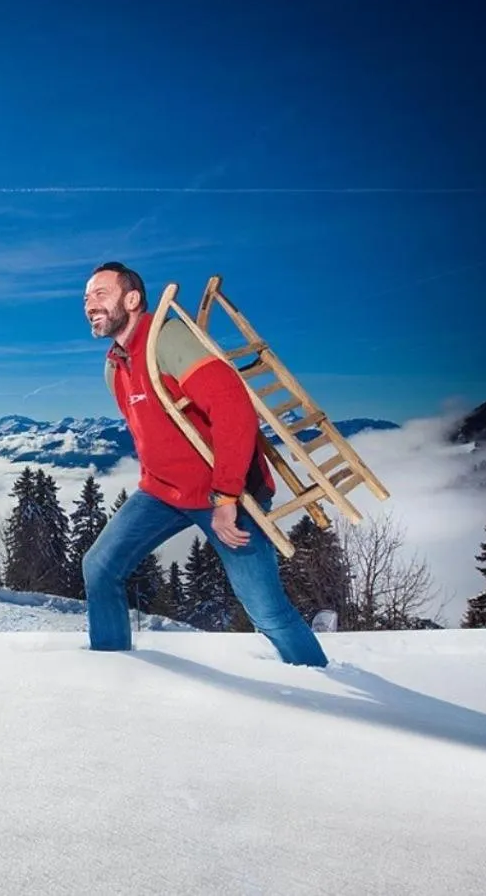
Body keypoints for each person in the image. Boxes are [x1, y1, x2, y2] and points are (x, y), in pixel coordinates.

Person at [81, 260, 328, 667]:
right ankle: (111, 670)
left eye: (100, 294)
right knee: (100, 566)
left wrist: (227, 495)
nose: (90, 304)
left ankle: (316, 680)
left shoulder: (167, 339)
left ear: (132, 298)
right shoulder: (115, 365)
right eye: (87, 298)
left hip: (226, 493)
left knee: (265, 609)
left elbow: (233, 406)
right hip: (162, 492)